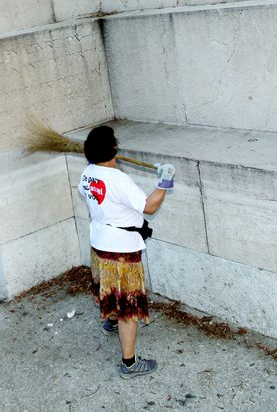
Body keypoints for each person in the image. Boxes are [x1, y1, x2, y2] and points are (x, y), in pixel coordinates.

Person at [78, 125, 175, 379]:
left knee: (108, 290)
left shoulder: (88, 174)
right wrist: (164, 183)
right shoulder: (119, 179)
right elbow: (149, 206)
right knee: (128, 308)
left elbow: (89, 195)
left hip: (100, 246)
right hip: (121, 252)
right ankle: (129, 364)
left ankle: (109, 322)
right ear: (113, 149)